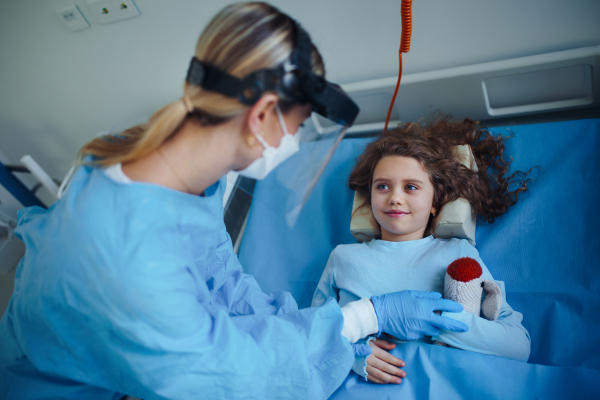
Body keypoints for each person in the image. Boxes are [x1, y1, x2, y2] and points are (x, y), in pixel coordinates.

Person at [0, 3, 470, 399]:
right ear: (263, 113)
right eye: (299, 125)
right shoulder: (132, 262)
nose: (294, 141)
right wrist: (363, 317)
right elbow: (231, 375)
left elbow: (222, 282)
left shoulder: (171, 167)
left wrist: (327, 333)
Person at [312, 118, 534, 385]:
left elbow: (518, 345)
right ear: (369, 198)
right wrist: (352, 355)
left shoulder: (458, 253)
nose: (395, 197)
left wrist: (440, 323)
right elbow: (311, 334)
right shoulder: (342, 257)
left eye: (411, 187)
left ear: (434, 202)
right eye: (382, 186)